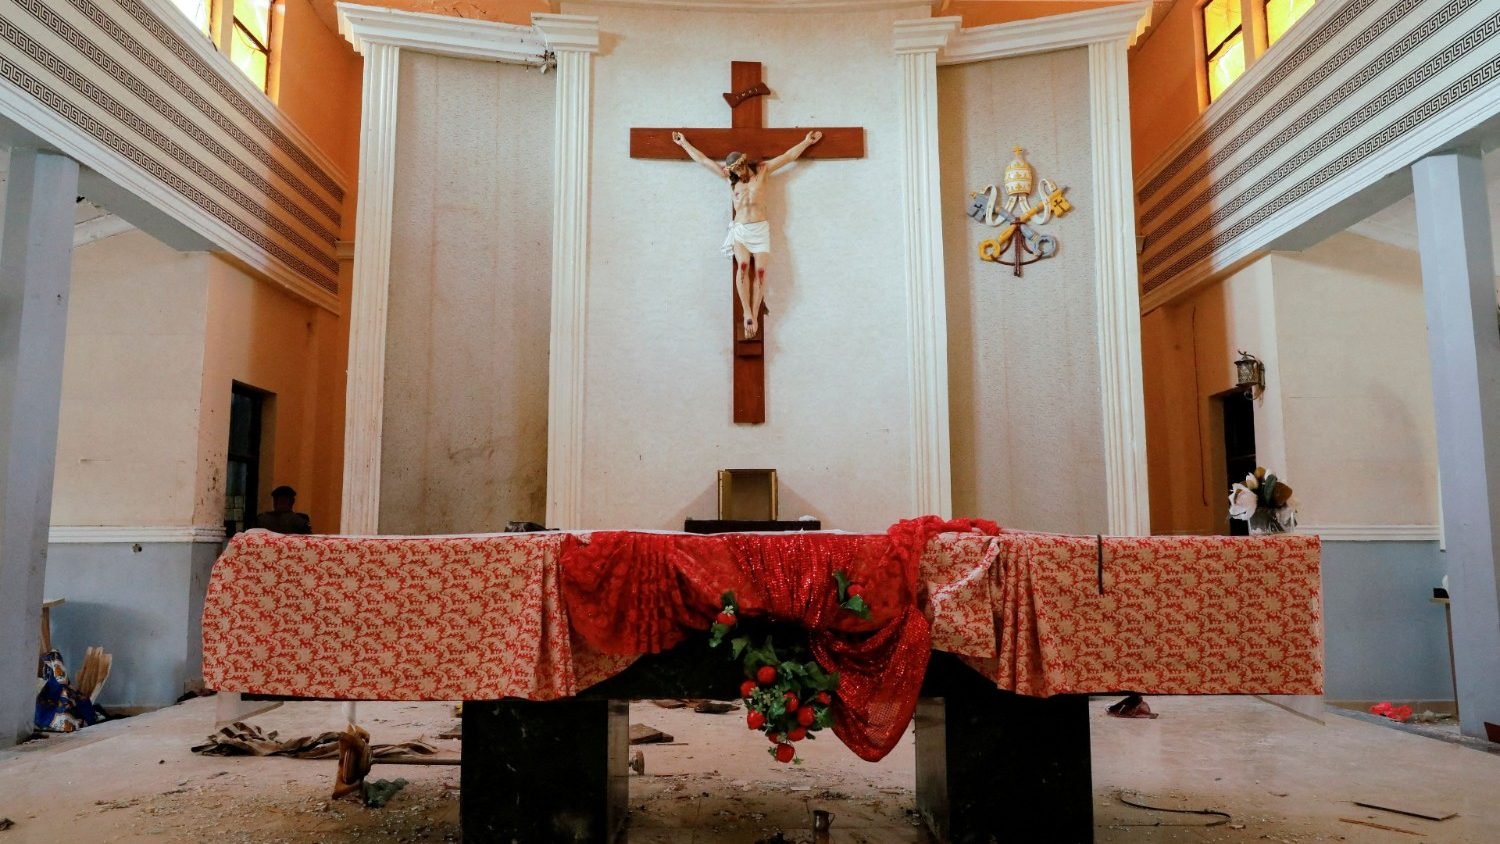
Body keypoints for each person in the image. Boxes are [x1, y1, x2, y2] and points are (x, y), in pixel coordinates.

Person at [672, 129, 822, 339]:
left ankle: (756, 309)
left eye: (739, 168)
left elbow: (788, 156)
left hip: (760, 230)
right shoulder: (730, 179)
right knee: (743, 266)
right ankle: (747, 313)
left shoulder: (762, 171)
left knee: (760, 271)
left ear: (744, 163)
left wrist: (806, 142)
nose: (738, 172)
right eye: (734, 170)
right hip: (741, 229)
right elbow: (704, 161)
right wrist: (683, 144)